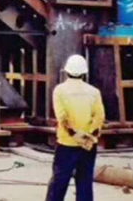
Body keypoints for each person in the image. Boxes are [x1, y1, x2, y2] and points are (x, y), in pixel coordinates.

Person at [45, 54, 105, 201]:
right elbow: (99, 117)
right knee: (85, 183)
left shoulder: (59, 90)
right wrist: (88, 136)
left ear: (67, 71)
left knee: (59, 183)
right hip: (88, 145)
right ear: (84, 72)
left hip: (67, 144)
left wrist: (75, 135)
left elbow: (62, 118)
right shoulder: (94, 91)